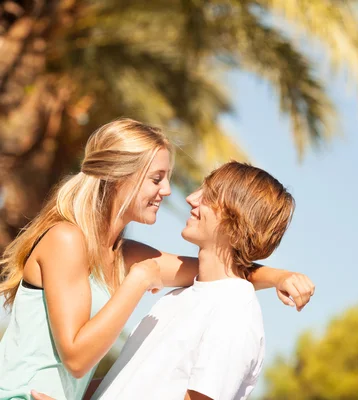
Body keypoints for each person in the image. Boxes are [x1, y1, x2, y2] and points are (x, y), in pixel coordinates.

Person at [0, 119, 315, 400]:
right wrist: (139, 280)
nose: (168, 191)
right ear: (118, 177)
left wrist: (279, 277)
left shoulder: (129, 256)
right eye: (156, 178)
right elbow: (77, 359)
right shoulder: (67, 240)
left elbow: (222, 275)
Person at [91, 161, 295, 400]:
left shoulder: (235, 310)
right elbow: (125, 383)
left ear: (237, 218)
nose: (191, 198)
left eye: (208, 196)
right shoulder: (180, 296)